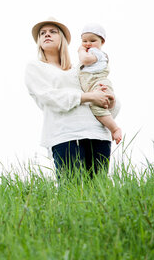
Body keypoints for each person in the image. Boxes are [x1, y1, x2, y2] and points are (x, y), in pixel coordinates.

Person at [24, 17, 120, 178]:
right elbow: (49, 97)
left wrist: (110, 100)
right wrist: (89, 96)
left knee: (99, 189)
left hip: (97, 133)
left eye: (52, 32)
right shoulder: (36, 68)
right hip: (65, 135)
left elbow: (101, 97)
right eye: (42, 33)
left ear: (62, 38)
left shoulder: (81, 69)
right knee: (71, 189)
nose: (47, 35)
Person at [78, 24, 122, 144]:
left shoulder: (96, 52)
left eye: (93, 40)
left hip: (99, 83)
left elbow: (85, 60)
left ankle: (114, 128)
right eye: (84, 41)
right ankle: (111, 102)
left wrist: (81, 51)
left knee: (97, 107)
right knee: (103, 104)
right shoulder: (91, 52)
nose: (88, 44)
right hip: (94, 85)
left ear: (102, 41)